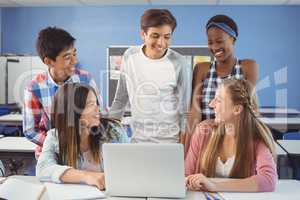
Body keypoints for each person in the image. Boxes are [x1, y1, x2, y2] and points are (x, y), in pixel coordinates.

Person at [109, 9, 192, 143]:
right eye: (155, 35)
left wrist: (182, 148)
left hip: (170, 142)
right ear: (143, 34)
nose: (161, 43)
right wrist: (107, 129)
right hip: (139, 141)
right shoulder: (129, 56)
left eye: (167, 37)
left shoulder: (179, 62)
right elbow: (120, 99)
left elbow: (185, 111)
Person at [185, 79, 277, 192]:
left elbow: (268, 180)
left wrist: (215, 186)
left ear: (237, 109)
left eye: (218, 100)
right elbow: (186, 175)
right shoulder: (203, 130)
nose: (211, 104)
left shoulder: (257, 138)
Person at [23, 26, 101, 158]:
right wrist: (60, 144)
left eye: (74, 54)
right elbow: (31, 130)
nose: (74, 61)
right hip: (52, 154)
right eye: (67, 57)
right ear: (48, 61)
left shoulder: (86, 79)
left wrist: (84, 145)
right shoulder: (34, 88)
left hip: (86, 151)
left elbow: (99, 114)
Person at [186, 15, 259, 153]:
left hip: (236, 143)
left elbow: (248, 109)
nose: (214, 47)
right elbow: (195, 111)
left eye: (219, 41)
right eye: (210, 42)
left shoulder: (248, 66)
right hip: (205, 142)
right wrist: (188, 149)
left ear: (233, 39)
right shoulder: (202, 69)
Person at [36, 83, 129, 190]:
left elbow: (130, 166)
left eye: (96, 103)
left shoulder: (114, 131)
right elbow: (43, 169)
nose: (98, 109)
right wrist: (86, 176)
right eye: (90, 104)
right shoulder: (55, 137)